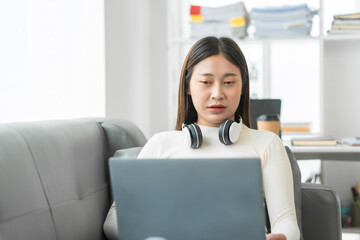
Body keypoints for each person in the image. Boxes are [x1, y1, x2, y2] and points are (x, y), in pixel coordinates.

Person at [103, 36, 300, 240]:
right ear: (188, 86)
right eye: (206, 82)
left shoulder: (267, 144)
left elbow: (286, 220)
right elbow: (114, 220)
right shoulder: (160, 144)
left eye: (229, 82)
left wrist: (282, 237)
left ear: (243, 87)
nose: (217, 93)